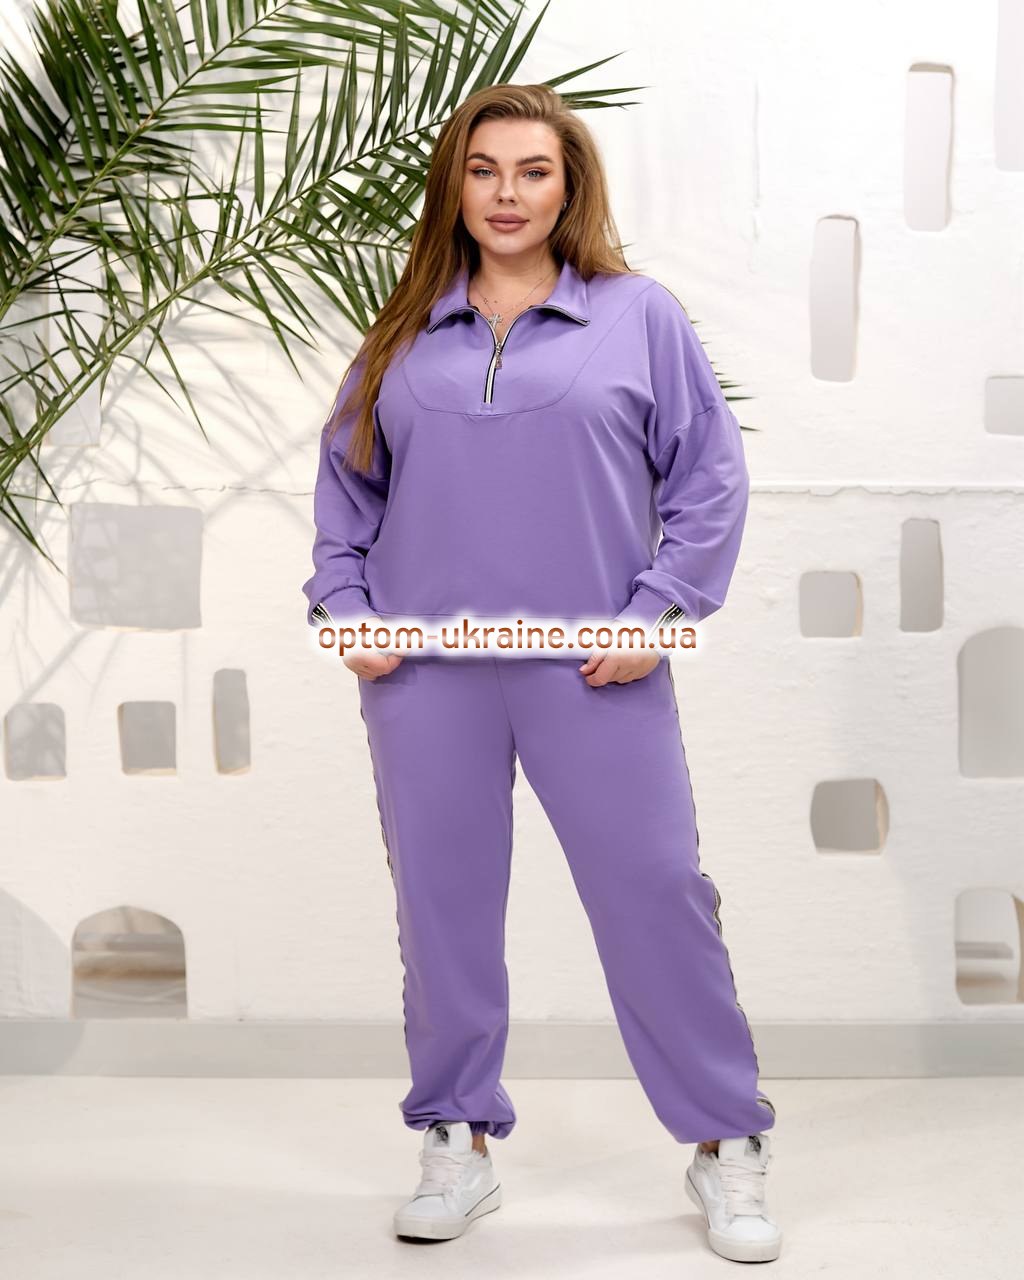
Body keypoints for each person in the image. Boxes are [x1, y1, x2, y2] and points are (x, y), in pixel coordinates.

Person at [302, 83, 782, 1264]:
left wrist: (657, 613)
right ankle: (455, 1136)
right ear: (453, 186)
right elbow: (346, 491)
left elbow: (708, 477)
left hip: (594, 666)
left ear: (570, 187)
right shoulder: (405, 328)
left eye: (531, 171)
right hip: (428, 670)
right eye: (483, 170)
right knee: (442, 907)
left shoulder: (637, 315)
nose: (506, 194)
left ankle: (725, 1138)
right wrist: (347, 611)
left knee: (656, 889)